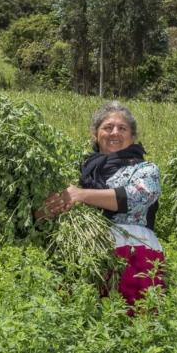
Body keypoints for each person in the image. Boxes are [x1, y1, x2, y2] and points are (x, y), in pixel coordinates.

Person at [44, 101, 165, 309]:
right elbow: (50, 210)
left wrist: (81, 195)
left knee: (135, 324)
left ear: (133, 137)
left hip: (134, 255)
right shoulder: (78, 171)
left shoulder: (145, 169)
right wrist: (46, 209)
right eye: (107, 127)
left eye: (122, 128)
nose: (114, 133)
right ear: (95, 134)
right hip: (83, 257)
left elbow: (137, 197)